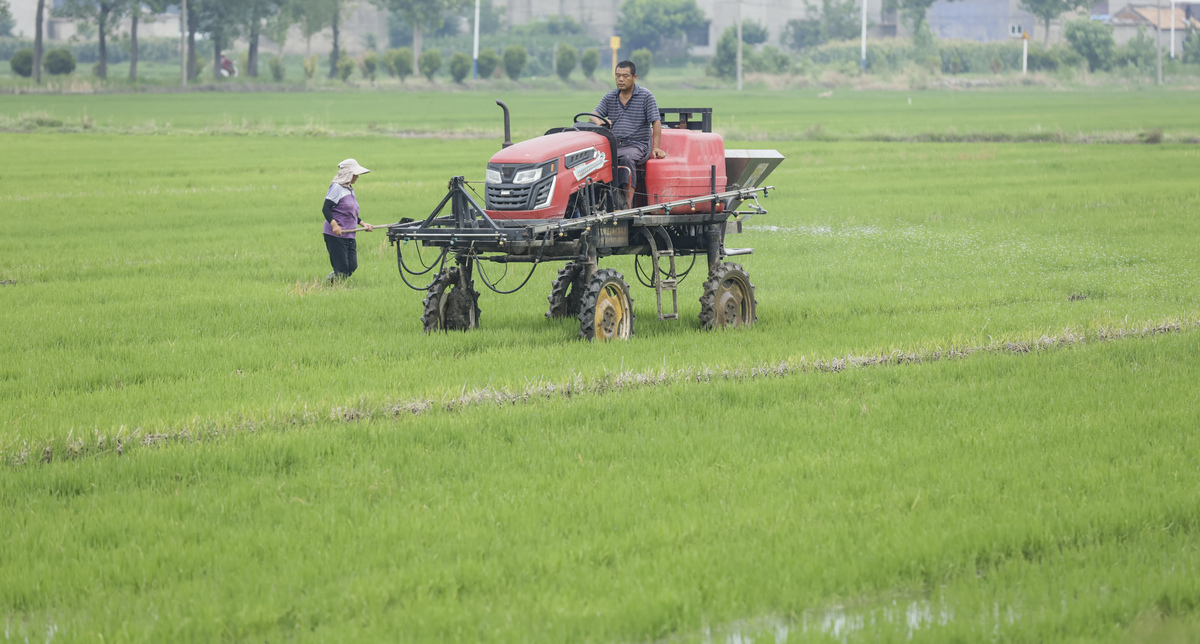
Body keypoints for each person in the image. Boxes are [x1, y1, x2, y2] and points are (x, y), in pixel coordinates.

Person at [591, 60, 667, 208]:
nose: (621, 79)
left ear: (634, 77)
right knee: (593, 159)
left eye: (625, 76)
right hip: (615, 144)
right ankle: (598, 203)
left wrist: (656, 148)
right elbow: (593, 115)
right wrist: (599, 122)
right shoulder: (610, 97)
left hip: (638, 145)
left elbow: (656, 123)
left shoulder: (646, 96)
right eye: (617, 76)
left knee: (627, 158)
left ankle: (627, 204)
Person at [322, 159, 374, 282]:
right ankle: (331, 288)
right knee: (341, 269)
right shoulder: (337, 187)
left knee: (352, 266)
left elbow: (350, 213)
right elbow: (326, 209)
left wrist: (363, 224)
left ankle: (330, 282)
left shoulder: (349, 189)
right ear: (348, 174)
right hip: (335, 234)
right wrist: (335, 225)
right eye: (355, 174)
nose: (357, 177)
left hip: (349, 234)